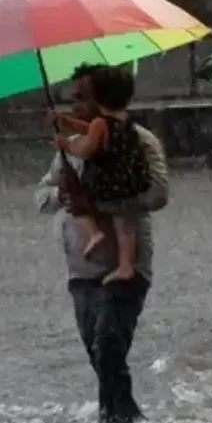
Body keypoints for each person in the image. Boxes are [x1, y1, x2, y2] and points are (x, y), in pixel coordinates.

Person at [35, 63, 169, 423]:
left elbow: (159, 193)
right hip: (81, 270)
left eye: (82, 97)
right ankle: (115, 419)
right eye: (72, 97)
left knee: (109, 344)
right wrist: (61, 193)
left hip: (126, 265)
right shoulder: (72, 151)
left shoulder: (136, 139)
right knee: (98, 353)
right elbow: (41, 195)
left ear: (102, 100)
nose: (74, 104)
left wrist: (101, 203)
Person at [52, 67, 151, 283]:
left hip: (106, 186)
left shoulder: (100, 123)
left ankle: (94, 233)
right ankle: (127, 264)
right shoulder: (126, 121)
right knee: (125, 226)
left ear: (98, 97)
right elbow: (93, 129)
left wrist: (67, 144)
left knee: (77, 200)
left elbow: (87, 146)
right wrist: (66, 122)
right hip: (128, 184)